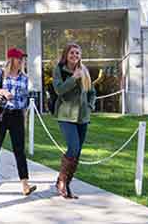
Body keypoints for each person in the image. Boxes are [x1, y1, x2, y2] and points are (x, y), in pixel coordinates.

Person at [0, 48, 37, 196]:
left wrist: (24, 116)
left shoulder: (24, 78)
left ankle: (25, 184)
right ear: (11, 59)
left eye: (23, 59)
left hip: (17, 116)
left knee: (19, 150)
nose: (21, 61)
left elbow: (25, 100)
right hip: (1, 114)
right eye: (19, 59)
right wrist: (2, 92)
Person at [53, 43, 96, 199]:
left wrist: (90, 106)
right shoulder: (59, 69)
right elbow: (59, 90)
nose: (75, 55)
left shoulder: (84, 70)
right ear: (66, 54)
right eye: (72, 53)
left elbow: (92, 92)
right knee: (73, 147)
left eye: (77, 53)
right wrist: (73, 78)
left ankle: (66, 184)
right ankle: (62, 182)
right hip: (66, 115)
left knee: (77, 152)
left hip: (83, 116)